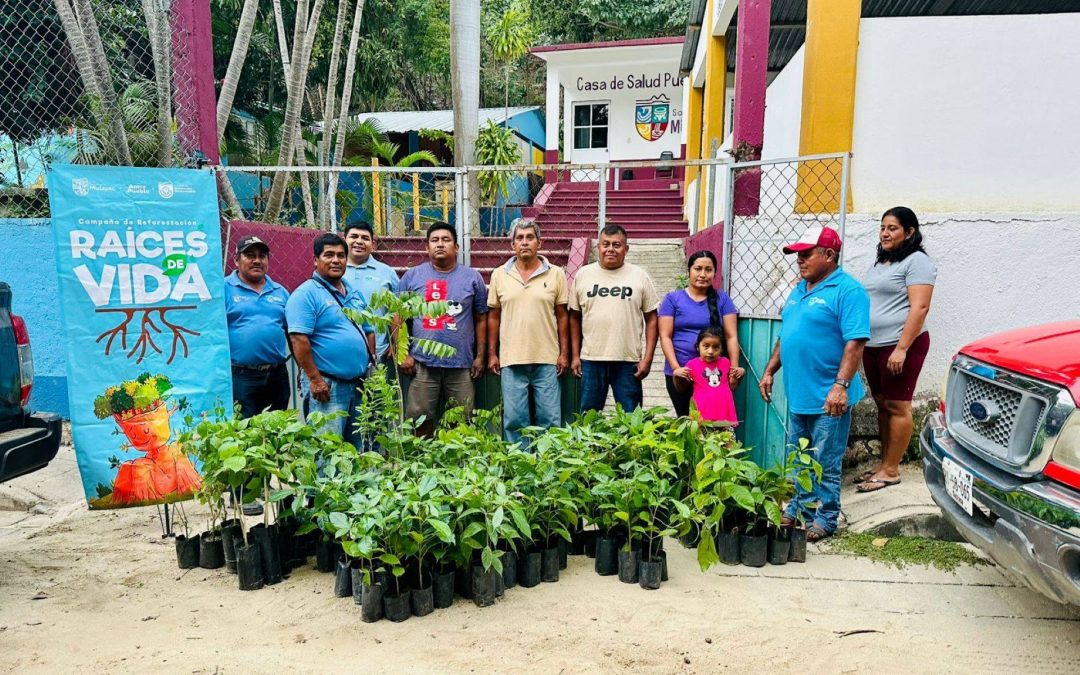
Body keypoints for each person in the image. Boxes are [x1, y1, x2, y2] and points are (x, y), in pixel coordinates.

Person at [758, 225, 870, 542]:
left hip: (829, 396)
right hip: (799, 394)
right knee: (799, 459)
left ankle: (825, 517)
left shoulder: (848, 291)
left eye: (806, 254)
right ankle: (797, 508)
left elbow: (855, 342)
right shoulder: (799, 290)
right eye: (798, 255)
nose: (800, 260)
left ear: (829, 255)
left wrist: (840, 387)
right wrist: (769, 369)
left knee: (825, 461)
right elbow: (786, 334)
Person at [856, 207, 937, 493]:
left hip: (902, 345)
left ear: (909, 232)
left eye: (892, 228)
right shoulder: (881, 263)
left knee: (897, 405)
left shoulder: (917, 262)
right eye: (882, 228)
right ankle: (883, 464)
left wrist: (902, 348)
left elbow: (920, 307)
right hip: (874, 345)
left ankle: (891, 470)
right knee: (881, 403)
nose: (885, 233)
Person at [285, 233, 376, 447]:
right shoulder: (306, 294)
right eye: (329, 255)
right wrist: (315, 380)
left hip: (358, 384)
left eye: (341, 255)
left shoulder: (353, 293)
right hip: (327, 385)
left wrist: (369, 366)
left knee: (358, 449)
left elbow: (368, 330)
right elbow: (299, 340)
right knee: (328, 450)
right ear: (316, 260)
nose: (336, 260)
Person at [399, 222, 488, 435]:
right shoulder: (412, 277)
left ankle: (458, 465)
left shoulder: (472, 278)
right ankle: (421, 462)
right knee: (419, 419)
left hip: (461, 363)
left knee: (462, 419)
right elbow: (399, 317)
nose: (440, 245)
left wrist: (481, 356)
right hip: (422, 363)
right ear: (427, 247)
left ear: (456, 247)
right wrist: (403, 352)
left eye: (446, 240)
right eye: (435, 240)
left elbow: (481, 319)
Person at [224, 235, 290, 515]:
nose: (256, 260)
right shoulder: (224, 289)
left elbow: (291, 330)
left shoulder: (280, 291)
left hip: (276, 372)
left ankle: (262, 482)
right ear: (236, 260)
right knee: (243, 432)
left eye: (261, 255)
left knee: (271, 432)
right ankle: (241, 492)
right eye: (249, 255)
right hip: (241, 375)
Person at [487, 220, 569, 444]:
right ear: (512, 244)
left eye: (530, 237)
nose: (525, 242)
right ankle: (519, 467)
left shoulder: (556, 274)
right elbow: (493, 316)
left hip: (547, 358)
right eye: (520, 238)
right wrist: (493, 353)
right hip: (512, 359)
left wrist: (564, 353)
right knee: (514, 419)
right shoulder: (499, 275)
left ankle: (549, 465)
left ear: (539, 242)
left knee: (550, 419)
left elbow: (563, 315)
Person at [569, 225, 659, 412]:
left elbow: (652, 318)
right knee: (589, 421)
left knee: (631, 420)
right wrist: (576, 355)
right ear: (598, 248)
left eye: (617, 245)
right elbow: (574, 318)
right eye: (606, 244)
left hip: (628, 361)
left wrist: (648, 359)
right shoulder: (583, 275)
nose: (610, 249)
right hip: (591, 359)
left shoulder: (640, 276)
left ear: (626, 249)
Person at [659, 251, 744, 417]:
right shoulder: (673, 299)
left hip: (713, 376)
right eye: (698, 269)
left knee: (714, 423)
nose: (703, 274)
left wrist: (733, 370)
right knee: (686, 421)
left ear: (714, 273)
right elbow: (665, 336)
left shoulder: (722, 299)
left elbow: (731, 336)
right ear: (689, 270)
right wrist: (676, 368)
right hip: (683, 374)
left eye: (708, 270)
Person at [343, 221, 400, 370]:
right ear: (344, 240)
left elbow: (396, 310)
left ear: (373, 244)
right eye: (354, 236)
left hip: (377, 354)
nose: (359, 241)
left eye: (365, 238)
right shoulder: (333, 270)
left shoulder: (387, 273)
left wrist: (397, 345)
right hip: (340, 353)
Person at [673, 326, 738, 424]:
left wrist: (741, 373)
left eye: (716, 347)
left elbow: (733, 386)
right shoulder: (692, 365)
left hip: (723, 413)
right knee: (703, 439)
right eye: (706, 346)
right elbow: (681, 389)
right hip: (702, 413)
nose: (710, 351)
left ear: (721, 348)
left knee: (726, 438)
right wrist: (676, 375)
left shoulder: (726, 363)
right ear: (698, 346)